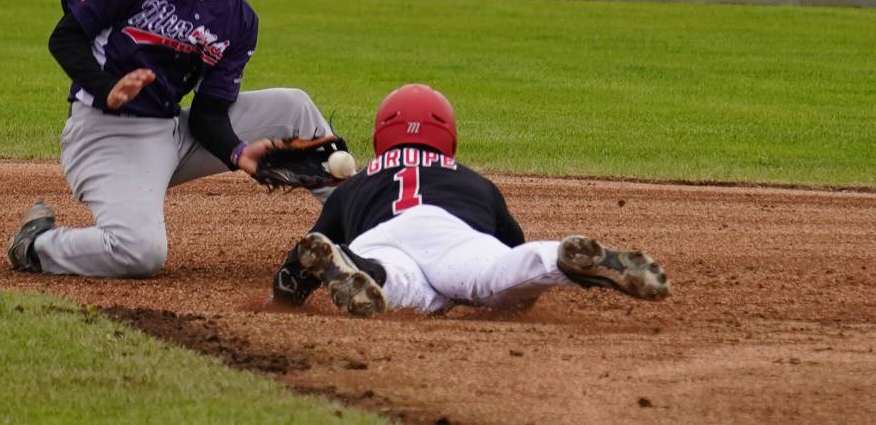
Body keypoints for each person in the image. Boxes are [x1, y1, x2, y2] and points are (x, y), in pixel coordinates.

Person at [7, 0, 337, 278]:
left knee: (294, 106)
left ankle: (361, 226)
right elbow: (66, 37)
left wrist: (237, 152)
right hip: (106, 134)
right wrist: (106, 87)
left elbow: (208, 114)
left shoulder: (240, 19)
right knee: (139, 252)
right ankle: (37, 246)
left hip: (173, 133)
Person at [272, 84, 671, 316]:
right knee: (494, 275)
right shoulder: (475, 183)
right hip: (452, 232)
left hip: (378, 238)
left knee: (405, 289)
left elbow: (303, 256)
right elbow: (512, 243)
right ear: (449, 140)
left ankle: (364, 271)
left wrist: (286, 293)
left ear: (380, 139)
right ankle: (558, 260)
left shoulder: (353, 187)